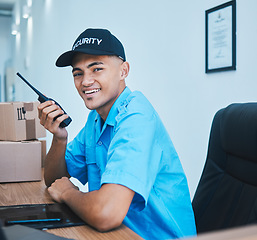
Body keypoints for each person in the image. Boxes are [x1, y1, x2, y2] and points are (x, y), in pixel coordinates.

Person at [38, 28, 196, 239]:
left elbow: (105, 213)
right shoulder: (96, 119)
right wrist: (59, 138)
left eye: (96, 69)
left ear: (123, 71)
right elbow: (55, 180)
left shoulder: (137, 117)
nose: (85, 81)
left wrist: (68, 193)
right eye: (78, 73)